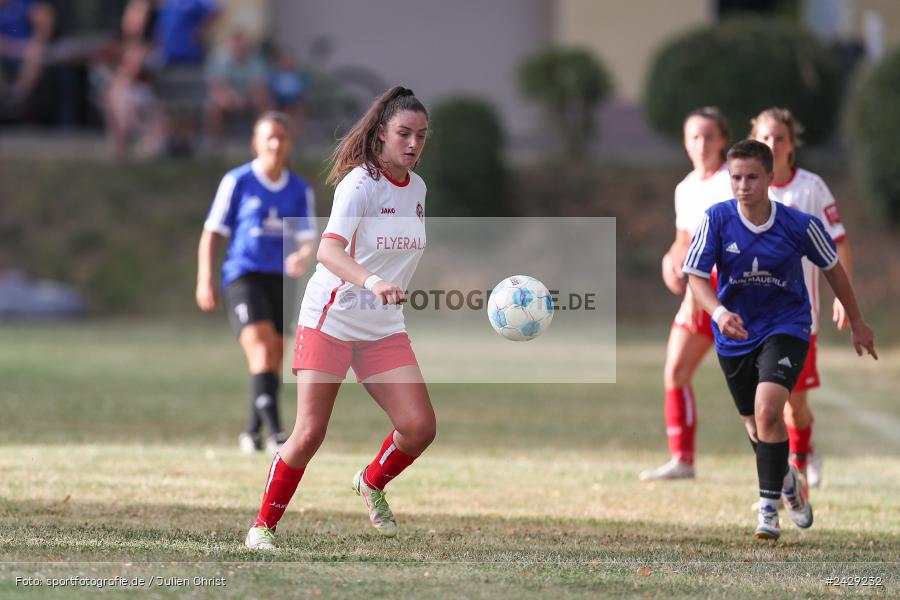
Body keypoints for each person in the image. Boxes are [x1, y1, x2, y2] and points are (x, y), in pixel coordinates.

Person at [244, 86, 434, 551]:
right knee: (309, 433)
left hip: (382, 327)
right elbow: (328, 249)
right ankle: (262, 528)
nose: (412, 144)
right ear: (381, 135)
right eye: (403, 134)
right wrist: (370, 282)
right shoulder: (360, 184)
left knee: (419, 428)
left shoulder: (419, 188)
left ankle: (371, 482)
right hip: (330, 319)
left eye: (422, 136)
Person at [683, 139, 876, 540]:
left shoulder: (798, 224)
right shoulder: (716, 220)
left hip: (787, 326)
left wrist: (857, 320)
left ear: (771, 177)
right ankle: (788, 480)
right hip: (735, 334)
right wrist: (718, 312)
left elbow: (834, 269)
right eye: (736, 177)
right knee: (757, 428)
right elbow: (696, 277)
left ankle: (767, 512)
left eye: (752, 177)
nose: (743, 185)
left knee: (770, 411)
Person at [196, 111, 317, 454]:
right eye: (269, 138)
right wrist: (205, 278)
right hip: (243, 276)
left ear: (289, 143)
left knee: (273, 358)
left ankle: (251, 432)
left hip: (281, 280)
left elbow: (308, 236)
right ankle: (279, 433)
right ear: (256, 143)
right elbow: (212, 232)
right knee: (261, 350)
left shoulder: (298, 188)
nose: (276, 144)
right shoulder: (237, 181)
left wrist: (303, 256)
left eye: (282, 137)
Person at [750, 107, 853, 490]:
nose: (771, 144)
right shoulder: (744, 185)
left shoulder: (810, 188)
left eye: (779, 137)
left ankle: (800, 462)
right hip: (753, 319)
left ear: (792, 144)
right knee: (763, 407)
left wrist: (843, 295)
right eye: (764, 137)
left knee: (795, 406)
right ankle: (782, 480)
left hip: (798, 317)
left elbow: (839, 242)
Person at [639, 107, 733, 481]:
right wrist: (670, 257)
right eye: (695, 136)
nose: (702, 144)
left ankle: (798, 456)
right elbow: (685, 239)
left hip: (734, 296)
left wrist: (702, 280)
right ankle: (683, 460)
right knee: (675, 371)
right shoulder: (686, 187)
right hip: (698, 295)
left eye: (709, 136)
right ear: (685, 142)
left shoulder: (734, 180)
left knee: (765, 390)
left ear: (723, 140)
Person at [205, 29, 271, 147]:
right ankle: (215, 144)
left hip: (249, 97)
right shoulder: (220, 59)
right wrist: (234, 98)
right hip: (228, 98)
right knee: (215, 106)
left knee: (265, 103)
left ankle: (262, 141)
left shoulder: (256, 60)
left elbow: (259, 84)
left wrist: (245, 98)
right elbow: (218, 85)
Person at [0, 0, 54, 114]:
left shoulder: (25, 3)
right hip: (4, 48)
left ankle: (17, 97)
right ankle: (3, 93)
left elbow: (45, 23)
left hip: (25, 48)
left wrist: (36, 41)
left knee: (35, 52)